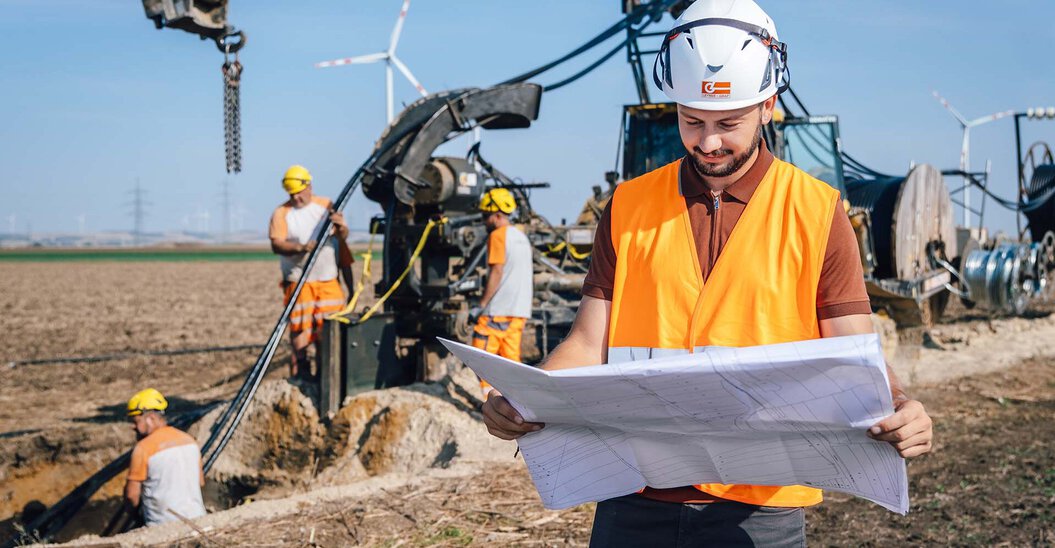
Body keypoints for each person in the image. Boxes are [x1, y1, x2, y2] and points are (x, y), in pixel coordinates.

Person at [480, 1, 933, 546]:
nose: (708, 142)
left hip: (759, 511)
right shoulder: (628, 206)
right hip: (634, 498)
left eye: (728, 123)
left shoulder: (816, 211)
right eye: (691, 120)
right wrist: (528, 399)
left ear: (768, 105)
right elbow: (587, 342)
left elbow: (854, 355)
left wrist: (902, 407)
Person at [269, 165, 354, 379]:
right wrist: (301, 248)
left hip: (327, 281)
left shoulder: (325, 206)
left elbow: (342, 239)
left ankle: (328, 374)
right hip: (299, 281)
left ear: (309, 186)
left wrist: (342, 227)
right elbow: (277, 244)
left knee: (329, 330)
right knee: (300, 330)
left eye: (299, 192)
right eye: (292, 194)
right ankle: (302, 374)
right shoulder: (282, 213)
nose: (296, 197)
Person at [471, 188, 534, 398]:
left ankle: (487, 402)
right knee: (510, 360)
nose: (484, 220)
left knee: (483, 356)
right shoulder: (520, 237)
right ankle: (516, 402)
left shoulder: (498, 236)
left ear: (497, 215)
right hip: (520, 309)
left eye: (486, 216)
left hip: (499, 309)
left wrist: (482, 304)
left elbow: (496, 271)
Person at [124, 388, 206, 526]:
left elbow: (131, 495)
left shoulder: (144, 448)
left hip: (162, 526)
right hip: (198, 520)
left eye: (136, 421)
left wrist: (136, 516)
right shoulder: (189, 441)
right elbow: (200, 482)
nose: (133, 427)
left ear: (151, 419)